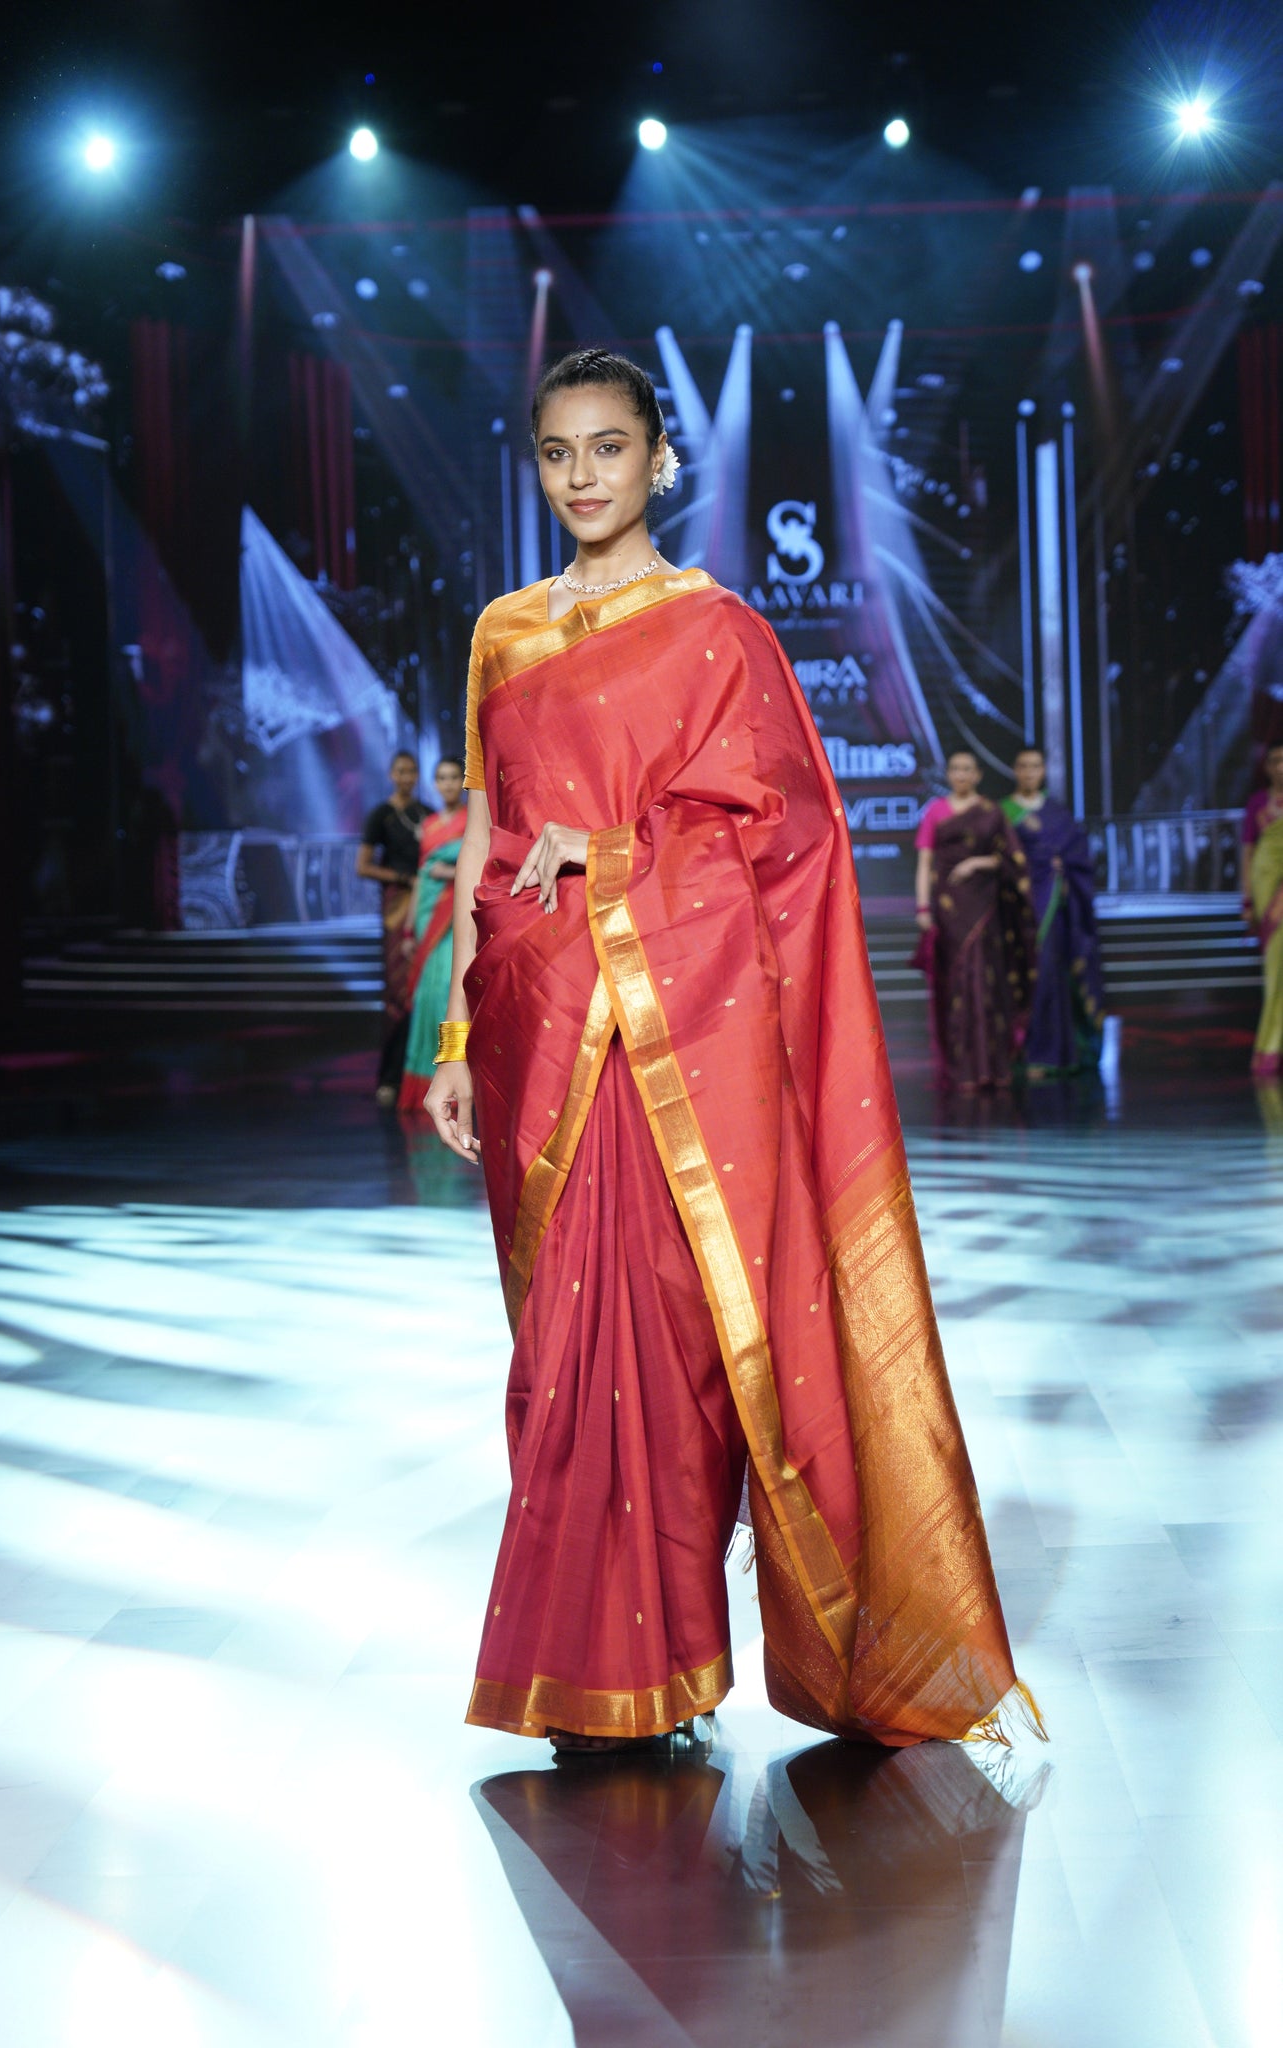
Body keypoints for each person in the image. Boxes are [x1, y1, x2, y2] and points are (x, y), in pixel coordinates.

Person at [423, 347, 1040, 1758]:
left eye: (608, 448)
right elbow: (485, 844)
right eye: (557, 452)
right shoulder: (503, 633)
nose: (582, 476)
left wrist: (615, 846)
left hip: (672, 1035)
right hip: (532, 1026)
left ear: (659, 458)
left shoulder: (717, 632)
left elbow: (786, 836)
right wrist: (454, 1034)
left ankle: (672, 1659)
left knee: (677, 1341)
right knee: (563, 1352)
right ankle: (595, 1666)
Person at [914, 750, 1036, 1092]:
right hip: (949, 909)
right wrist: (922, 908)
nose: (962, 775)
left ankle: (992, 1065)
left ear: (978, 775)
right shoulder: (935, 811)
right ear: (948, 774)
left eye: (968, 769)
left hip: (985, 906)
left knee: (987, 980)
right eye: (956, 769)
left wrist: (977, 863)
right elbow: (924, 864)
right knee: (957, 982)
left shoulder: (990, 812)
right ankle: (963, 1067)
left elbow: (1010, 859)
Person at [1001, 747, 1104, 1078]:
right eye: (1023, 765)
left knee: (1051, 977)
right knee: (1024, 978)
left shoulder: (1058, 814)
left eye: (1035, 766)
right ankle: (1024, 1053)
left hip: (1054, 908)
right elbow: (999, 857)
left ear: (1043, 771)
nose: (1029, 772)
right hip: (1017, 909)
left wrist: (1063, 869)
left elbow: (1079, 856)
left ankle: (1056, 1055)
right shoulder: (1003, 812)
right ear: (1015, 770)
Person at [358, 752, 433, 1106]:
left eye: (412, 771)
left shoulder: (428, 814)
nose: (406, 777)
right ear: (391, 774)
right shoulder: (381, 815)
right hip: (397, 905)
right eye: (400, 771)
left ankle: (423, 1075)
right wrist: (403, 878)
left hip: (430, 902)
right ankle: (390, 1077)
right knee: (398, 991)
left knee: (426, 986)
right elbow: (363, 866)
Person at [398, 757, 468, 1110]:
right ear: (435, 784)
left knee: (447, 995)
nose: (448, 784)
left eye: (454, 777)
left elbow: (482, 866)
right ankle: (425, 1086)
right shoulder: (427, 825)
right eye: (442, 778)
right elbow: (421, 877)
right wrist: (409, 929)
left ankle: (455, 1085)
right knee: (427, 999)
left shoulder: (472, 820)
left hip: (456, 917)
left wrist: (450, 872)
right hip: (429, 916)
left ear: (464, 781)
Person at [1242, 739, 1283, 1080]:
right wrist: (1247, 900)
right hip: (1266, 886)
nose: (1281, 767)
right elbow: (1248, 853)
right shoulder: (1257, 803)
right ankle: (1270, 1049)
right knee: (1275, 971)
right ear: (1266, 766)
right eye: (1275, 760)